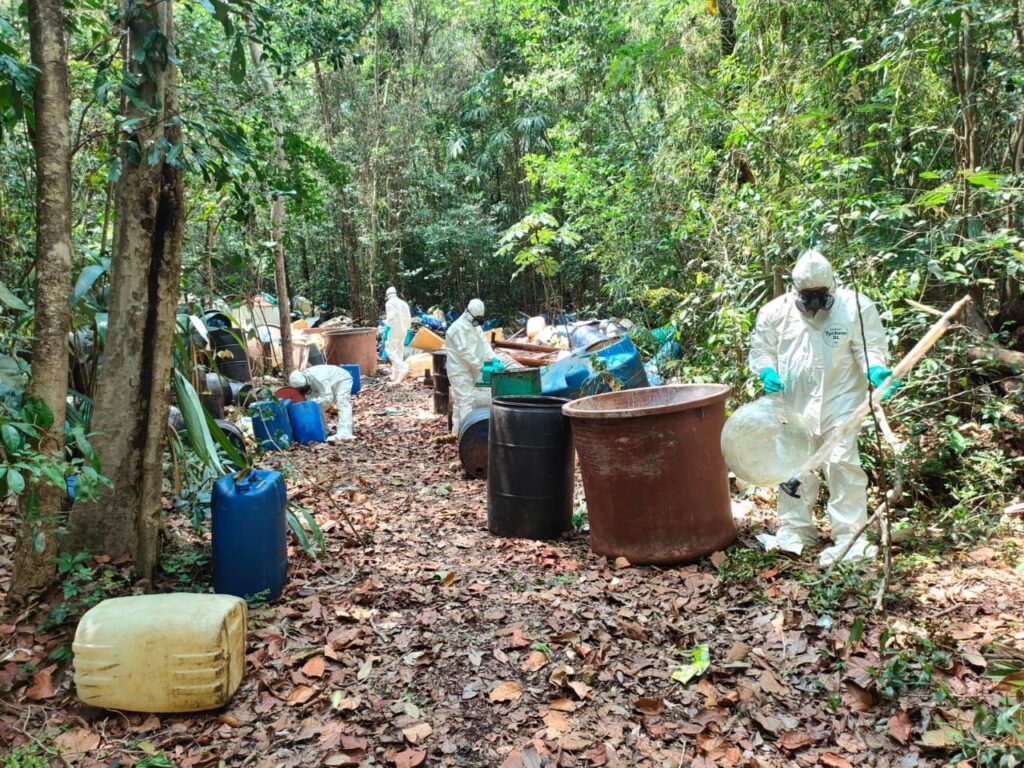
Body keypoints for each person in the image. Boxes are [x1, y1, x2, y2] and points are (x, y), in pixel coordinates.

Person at [748, 249, 895, 566]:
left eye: (820, 294)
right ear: (795, 289)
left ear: (831, 286)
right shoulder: (775, 312)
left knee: (842, 464)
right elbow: (762, 350)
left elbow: (870, 347)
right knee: (793, 466)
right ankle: (796, 531)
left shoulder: (855, 306)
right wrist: (766, 371)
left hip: (841, 401)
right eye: (808, 295)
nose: (814, 301)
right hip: (793, 404)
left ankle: (850, 536)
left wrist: (876, 369)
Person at [445, 298, 500, 434]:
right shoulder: (456, 329)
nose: (479, 321)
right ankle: (468, 436)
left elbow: (484, 343)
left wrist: (494, 359)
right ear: (469, 313)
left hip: (470, 370)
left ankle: (456, 433)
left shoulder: (475, 326)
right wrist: (481, 366)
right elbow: (464, 352)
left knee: (459, 403)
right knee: (466, 402)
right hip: (458, 370)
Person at [288, 365, 354, 442]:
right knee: (316, 407)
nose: (302, 390)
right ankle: (326, 432)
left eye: (303, 388)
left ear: (306, 382)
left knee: (342, 403)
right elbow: (313, 404)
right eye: (300, 389)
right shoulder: (305, 382)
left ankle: (345, 433)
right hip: (325, 384)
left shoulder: (318, 377)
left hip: (341, 379)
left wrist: (312, 403)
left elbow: (328, 397)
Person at [384, 286, 412, 383]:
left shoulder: (389, 303)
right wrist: (408, 330)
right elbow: (408, 317)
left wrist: (386, 330)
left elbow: (390, 317)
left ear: (387, 295)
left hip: (394, 330)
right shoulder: (403, 303)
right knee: (399, 351)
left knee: (391, 350)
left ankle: (403, 368)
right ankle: (396, 374)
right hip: (404, 329)